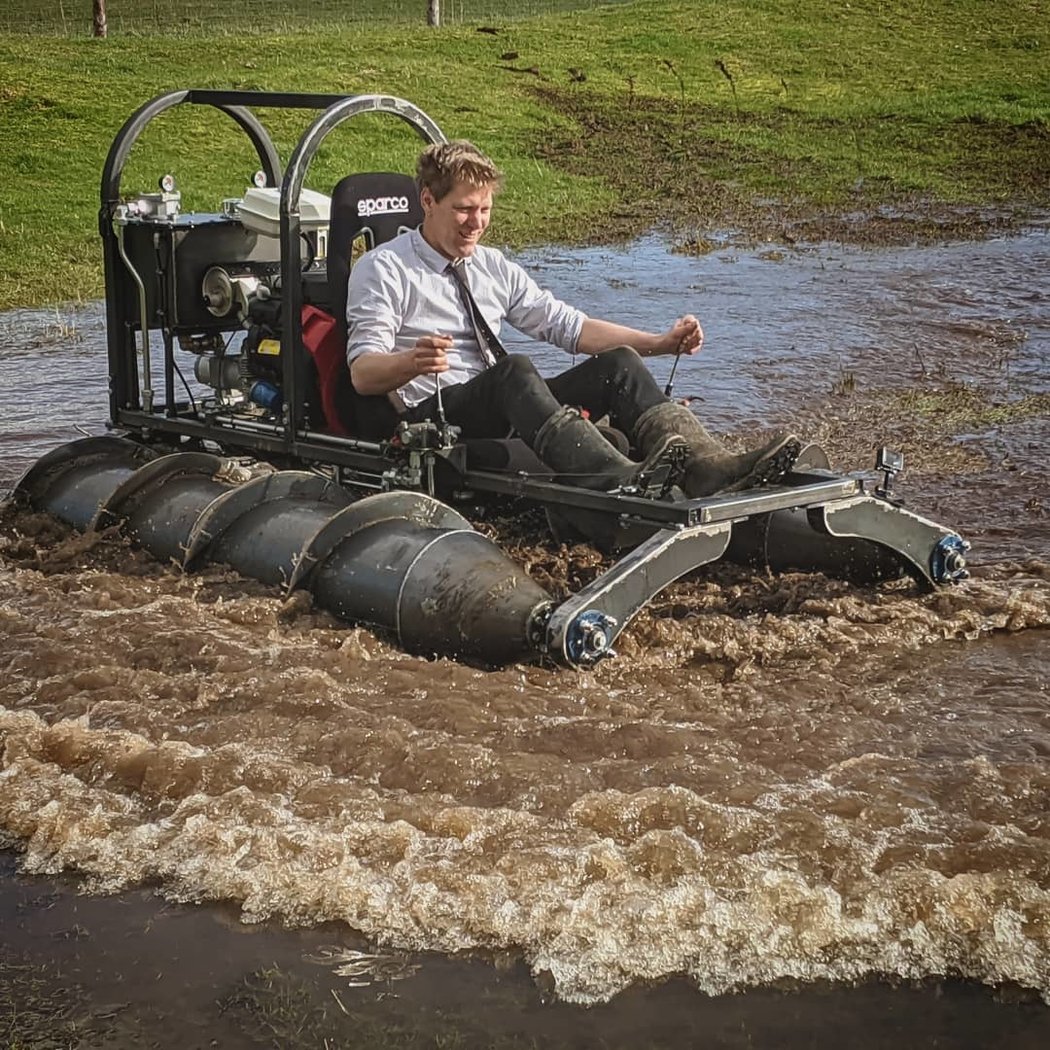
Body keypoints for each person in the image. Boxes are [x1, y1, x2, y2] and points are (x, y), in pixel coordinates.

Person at [345, 140, 799, 497]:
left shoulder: (491, 265)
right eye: (463, 209)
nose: (476, 223)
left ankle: (709, 468)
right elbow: (363, 376)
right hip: (434, 417)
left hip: (505, 407)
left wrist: (661, 343)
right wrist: (413, 360)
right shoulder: (384, 269)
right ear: (428, 200)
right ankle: (615, 480)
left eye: (484, 209)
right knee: (515, 371)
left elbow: (569, 327)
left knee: (618, 365)